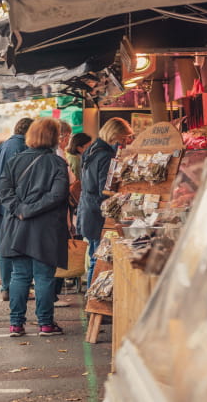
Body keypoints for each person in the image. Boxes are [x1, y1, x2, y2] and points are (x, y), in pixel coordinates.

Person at [0, 117, 69, 337]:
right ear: (53, 137)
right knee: (44, 276)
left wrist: (20, 209)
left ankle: (16, 324)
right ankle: (45, 323)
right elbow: (57, 195)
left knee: (19, 276)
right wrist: (32, 209)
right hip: (45, 229)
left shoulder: (14, 161)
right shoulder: (57, 163)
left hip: (18, 226)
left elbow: (2, 190)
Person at [77, 117, 134, 288]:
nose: (124, 142)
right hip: (98, 213)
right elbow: (105, 189)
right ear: (114, 135)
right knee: (98, 260)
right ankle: (93, 301)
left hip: (88, 209)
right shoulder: (106, 155)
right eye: (123, 138)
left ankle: (91, 299)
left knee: (95, 257)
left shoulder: (92, 150)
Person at [0, 117, 34, 301]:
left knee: (3, 246)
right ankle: (15, 288)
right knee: (18, 247)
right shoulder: (22, 148)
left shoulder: (3, 146)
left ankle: (6, 287)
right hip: (14, 205)